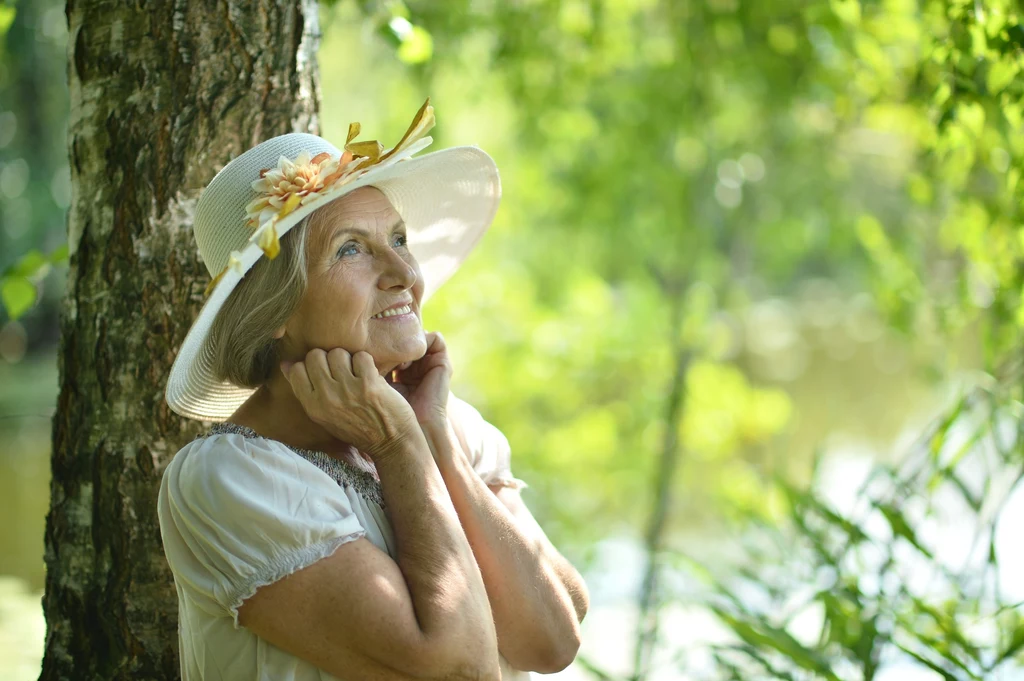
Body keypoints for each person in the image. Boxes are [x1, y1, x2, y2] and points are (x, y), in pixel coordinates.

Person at [157, 99, 589, 681]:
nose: (405, 273)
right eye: (351, 248)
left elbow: (554, 642)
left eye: (400, 238)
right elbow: (458, 669)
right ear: (273, 310)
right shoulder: (230, 480)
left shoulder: (447, 423)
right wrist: (399, 446)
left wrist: (433, 437)